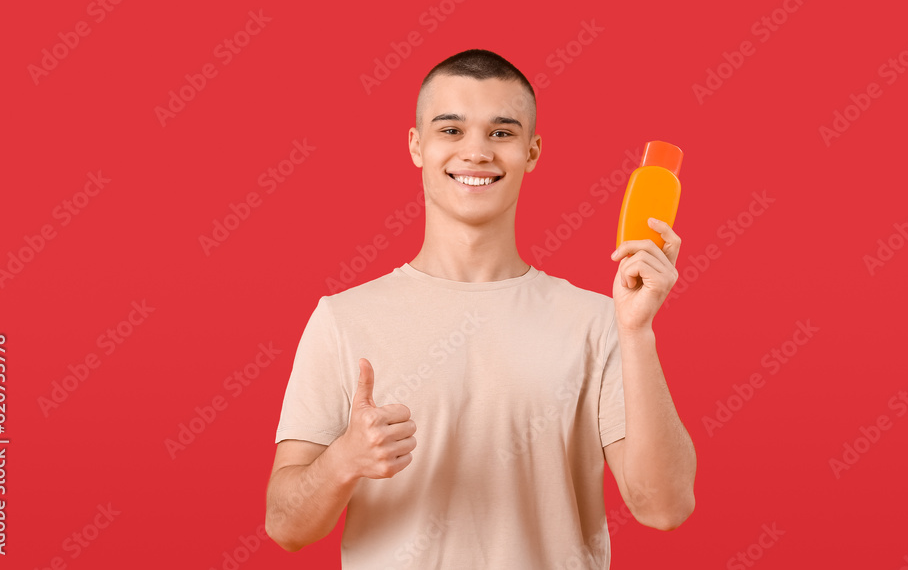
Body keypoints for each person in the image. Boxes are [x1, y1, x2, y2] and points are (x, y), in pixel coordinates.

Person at [265, 49, 696, 568]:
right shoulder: (341, 319)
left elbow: (664, 508)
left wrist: (638, 331)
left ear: (532, 151)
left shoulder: (599, 321)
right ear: (415, 145)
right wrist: (343, 461)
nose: (476, 152)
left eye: (501, 133)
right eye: (450, 130)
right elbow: (284, 526)